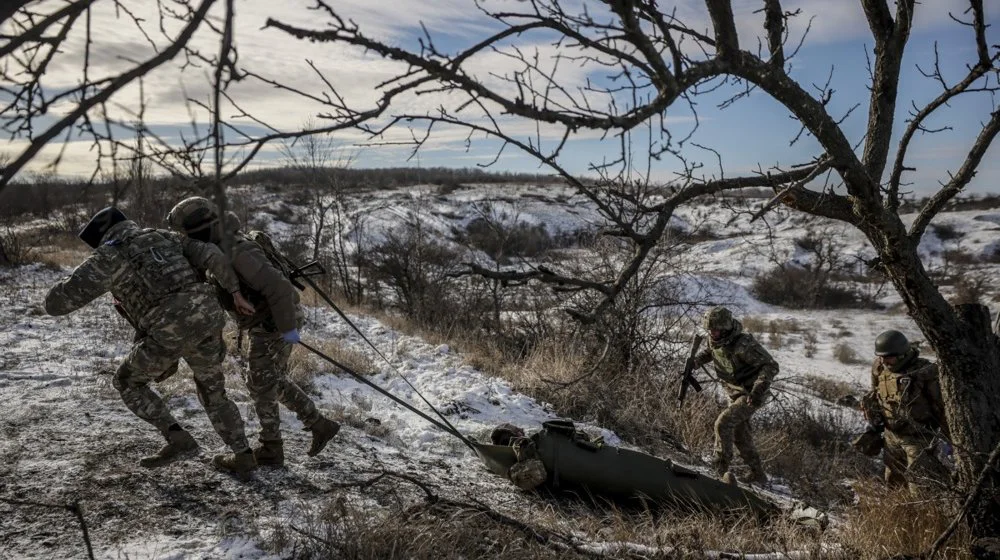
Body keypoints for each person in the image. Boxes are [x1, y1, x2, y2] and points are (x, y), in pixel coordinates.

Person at [44, 207, 259, 475]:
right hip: (207, 318)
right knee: (214, 392)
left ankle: (177, 438)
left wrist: (78, 273)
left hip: (167, 330)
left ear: (99, 238)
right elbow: (211, 254)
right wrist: (235, 292)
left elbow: (55, 304)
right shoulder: (164, 236)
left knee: (127, 382)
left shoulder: (106, 257)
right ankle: (243, 454)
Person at [166, 197, 340, 467]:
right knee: (267, 381)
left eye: (186, 232)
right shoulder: (223, 246)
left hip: (273, 323)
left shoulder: (237, 249)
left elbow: (280, 289)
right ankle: (317, 426)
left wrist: (287, 330)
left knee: (262, 383)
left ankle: (273, 448)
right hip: (267, 321)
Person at [691, 306, 778, 485]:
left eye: (715, 329)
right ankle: (758, 474)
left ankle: (720, 467)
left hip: (751, 393)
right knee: (740, 432)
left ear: (725, 328)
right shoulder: (715, 339)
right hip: (734, 392)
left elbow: (770, 365)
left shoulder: (743, 344)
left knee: (723, 423)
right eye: (710, 330)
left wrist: (758, 389)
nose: (712, 333)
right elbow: (710, 351)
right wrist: (697, 361)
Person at [861, 330, 950, 496]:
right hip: (891, 435)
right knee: (893, 483)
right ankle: (902, 515)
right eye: (881, 356)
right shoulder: (879, 367)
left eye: (888, 357)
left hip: (919, 438)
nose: (884, 360)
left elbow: (942, 407)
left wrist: (950, 440)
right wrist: (873, 423)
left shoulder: (926, 372)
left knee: (920, 487)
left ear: (903, 354)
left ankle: (926, 519)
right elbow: (875, 393)